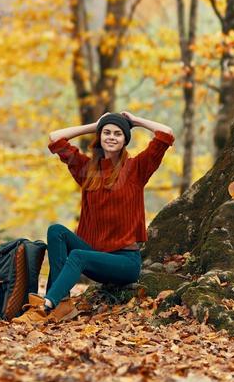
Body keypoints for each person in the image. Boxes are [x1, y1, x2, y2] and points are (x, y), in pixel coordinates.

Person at [14, 110, 175, 325]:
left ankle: (46, 306)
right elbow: (55, 138)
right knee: (56, 231)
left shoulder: (137, 168)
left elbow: (166, 133)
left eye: (118, 133)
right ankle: (61, 304)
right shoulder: (87, 169)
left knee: (79, 255)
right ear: (99, 137)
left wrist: (134, 121)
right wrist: (95, 125)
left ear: (125, 140)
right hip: (94, 256)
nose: (111, 137)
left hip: (124, 263)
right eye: (106, 132)